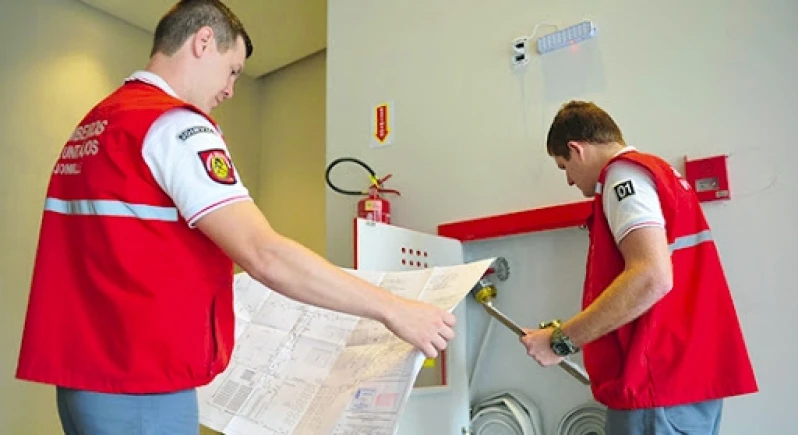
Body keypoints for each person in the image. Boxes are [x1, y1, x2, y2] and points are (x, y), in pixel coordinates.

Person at [15, 1, 455, 433]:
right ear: (204, 41)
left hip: (87, 380)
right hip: (140, 385)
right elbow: (263, 252)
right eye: (233, 71)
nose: (229, 90)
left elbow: (124, 254)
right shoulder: (175, 127)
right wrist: (395, 309)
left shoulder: (101, 122)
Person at [519, 100, 758, 434]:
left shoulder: (621, 179)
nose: (570, 182)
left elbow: (651, 277)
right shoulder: (662, 176)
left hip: (655, 384)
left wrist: (562, 341)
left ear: (577, 149)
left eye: (564, 167)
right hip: (686, 380)